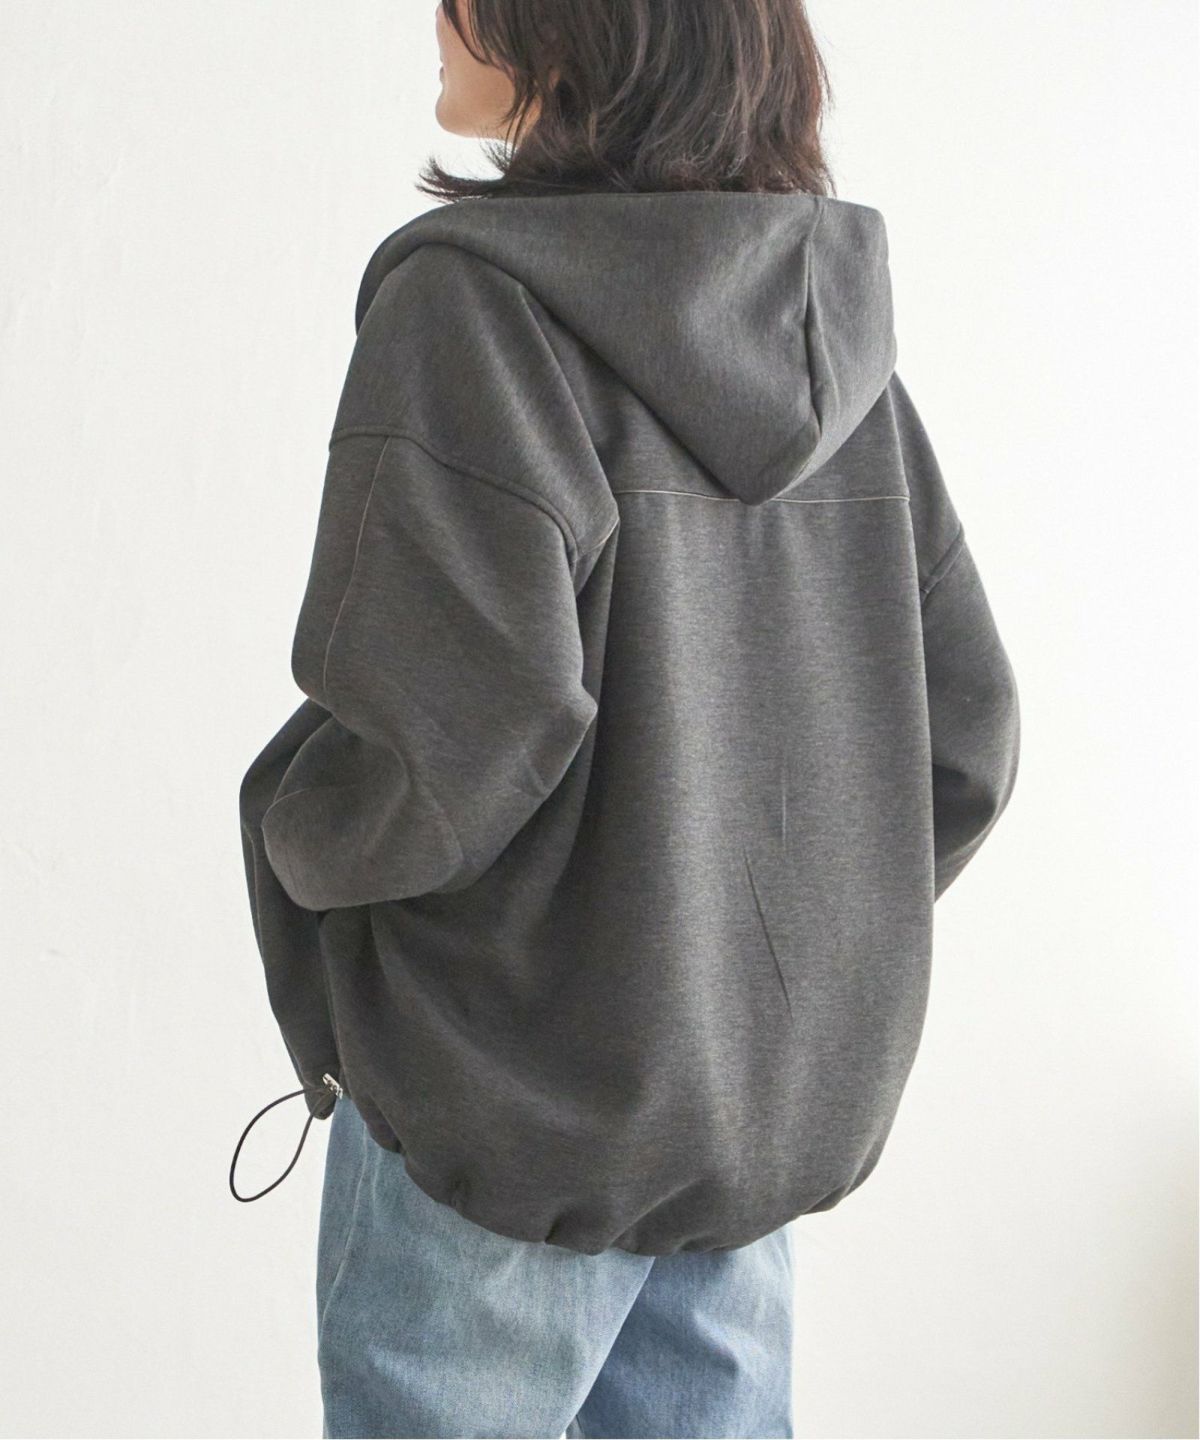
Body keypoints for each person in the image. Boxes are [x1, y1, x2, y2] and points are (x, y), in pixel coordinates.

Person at [234, 1, 1021, 1435]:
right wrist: (755, 962)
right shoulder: (833, 345)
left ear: (577, 29)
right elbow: (964, 741)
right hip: (739, 1128)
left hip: (502, 1122)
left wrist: (298, 840)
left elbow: (443, 747)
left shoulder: (472, 315)